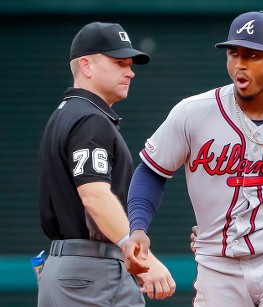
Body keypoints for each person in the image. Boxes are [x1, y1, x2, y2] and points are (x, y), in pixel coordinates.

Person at [122, 11, 263, 307]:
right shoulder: (193, 112)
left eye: (252, 55)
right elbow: (152, 171)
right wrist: (137, 228)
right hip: (218, 265)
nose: (240, 64)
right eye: (233, 53)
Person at [37, 22, 175, 306]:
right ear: (86, 66)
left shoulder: (70, 113)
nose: (130, 71)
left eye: (130, 64)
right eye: (119, 63)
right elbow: (94, 195)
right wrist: (138, 255)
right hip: (88, 272)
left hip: (85, 268)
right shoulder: (90, 120)